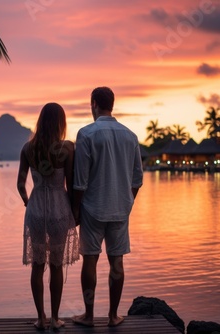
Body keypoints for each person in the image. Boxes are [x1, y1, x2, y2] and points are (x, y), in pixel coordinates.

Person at [71, 87, 143, 327]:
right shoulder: (130, 136)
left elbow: (79, 181)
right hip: (120, 210)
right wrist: (127, 202)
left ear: (93, 104)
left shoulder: (86, 134)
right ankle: (113, 316)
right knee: (117, 262)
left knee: (90, 260)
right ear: (112, 104)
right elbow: (137, 179)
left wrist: (76, 211)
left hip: (92, 208)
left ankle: (89, 316)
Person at [17, 102, 79, 330]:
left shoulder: (27, 148)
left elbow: (20, 184)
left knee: (37, 264)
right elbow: (71, 184)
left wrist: (28, 203)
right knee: (55, 265)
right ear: (61, 122)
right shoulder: (68, 148)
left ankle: (40, 319)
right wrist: (75, 211)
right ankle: (55, 318)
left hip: (36, 208)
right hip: (59, 208)